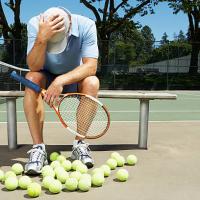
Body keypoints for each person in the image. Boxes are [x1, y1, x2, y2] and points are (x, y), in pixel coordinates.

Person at [24, 6, 99, 174]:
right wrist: (42, 39)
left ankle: (79, 144)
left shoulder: (87, 25)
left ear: (70, 25)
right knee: (30, 79)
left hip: (73, 77)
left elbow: (91, 67)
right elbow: (34, 66)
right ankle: (38, 148)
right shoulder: (34, 24)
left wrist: (60, 81)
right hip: (45, 76)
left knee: (92, 82)